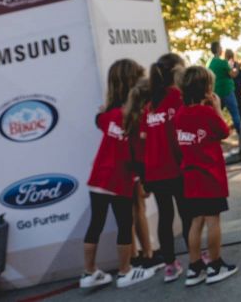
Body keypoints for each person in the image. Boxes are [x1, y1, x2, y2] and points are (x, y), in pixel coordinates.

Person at [81, 59, 155, 290]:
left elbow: (98, 121)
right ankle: (125, 271)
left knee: (96, 224)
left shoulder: (110, 115)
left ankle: (89, 272)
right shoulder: (137, 118)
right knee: (125, 223)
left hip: (99, 178)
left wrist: (103, 112)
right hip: (121, 179)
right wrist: (146, 180)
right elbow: (140, 155)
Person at [174, 66, 238, 285]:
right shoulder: (206, 112)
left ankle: (194, 267)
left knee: (195, 223)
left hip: (190, 177)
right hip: (209, 176)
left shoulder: (180, 114)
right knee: (213, 221)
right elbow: (223, 132)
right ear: (207, 87)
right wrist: (217, 108)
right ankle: (215, 264)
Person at [141, 53, 189, 283]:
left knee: (165, 216)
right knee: (187, 213)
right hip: (175, 168)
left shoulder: (150, 105)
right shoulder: (177, 97)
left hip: (156, 171)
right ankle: (197, 258)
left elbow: (144, 140)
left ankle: (170, 264)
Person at [123, 79, 159, 273]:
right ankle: (146, 254)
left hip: (129, 169)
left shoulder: (130, 116)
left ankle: (136, 254)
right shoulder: (141, 118)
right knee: (138, 209)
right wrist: (144, 178)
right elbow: (139, 151)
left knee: (132, 212)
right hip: (135, 171)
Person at [208, 41, 241, 160]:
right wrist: (237, 68)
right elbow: (233, 74)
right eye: (220, 47)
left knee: (216, 117)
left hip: (216, 93)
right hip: (227, 91)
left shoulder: (210, 63)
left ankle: (217, 140)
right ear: (218, 49)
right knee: (235, 115)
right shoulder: (222, 62)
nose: (222, 49)